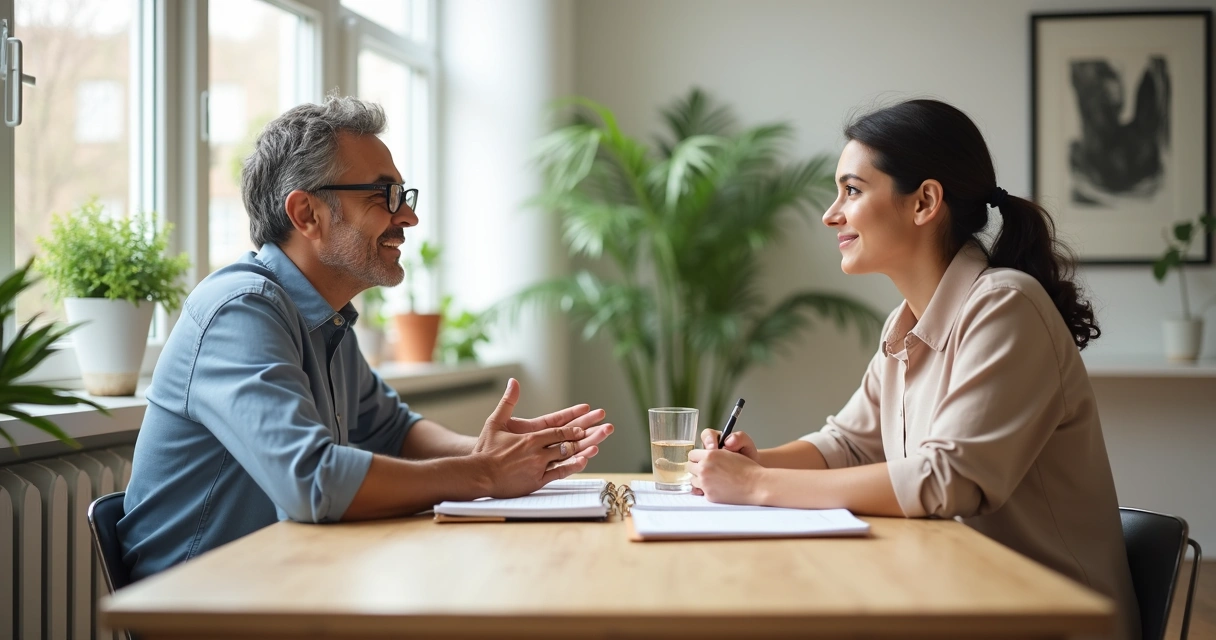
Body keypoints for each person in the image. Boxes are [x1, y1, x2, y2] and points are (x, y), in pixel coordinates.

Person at [687, 99, 1139, 639]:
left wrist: (759, 485)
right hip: (957, 598)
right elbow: (847, 445)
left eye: (851, 191)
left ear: (925, 201)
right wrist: (755, 461)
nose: (831, 214)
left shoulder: (1005, 306)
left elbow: (950, 480)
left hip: (1049, 619)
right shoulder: (905, 326)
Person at [119, 96, 614, 582]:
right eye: (383, 196)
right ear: (306, 214)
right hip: (197, 611)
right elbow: (313, 481)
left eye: (404, 195)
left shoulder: (323, 317)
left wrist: (484, 451)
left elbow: (393, 431)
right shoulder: (241, 312)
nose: (408, 218)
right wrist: (485, 474)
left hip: (284, 585)